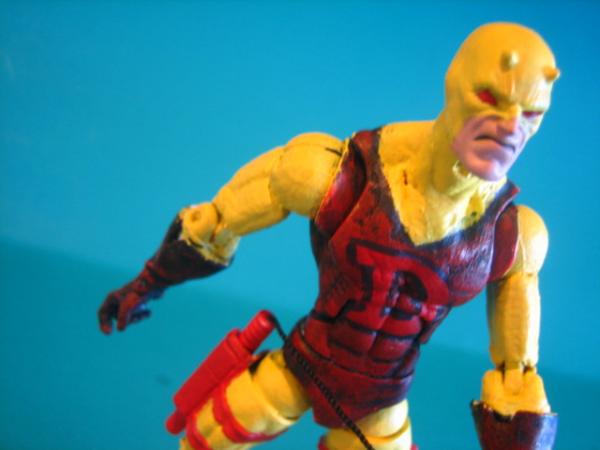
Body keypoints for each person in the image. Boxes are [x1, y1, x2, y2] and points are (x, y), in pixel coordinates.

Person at [99, 22, 560, 450]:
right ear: (454, 85)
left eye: (531, 113)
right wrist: (147, 282)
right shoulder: (336, 175)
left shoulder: (513, 236)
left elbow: (516, 377)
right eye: (490, 98)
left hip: (381, 403)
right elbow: (215, 224)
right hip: (303, 364)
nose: (509, 127)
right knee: (206, 439)